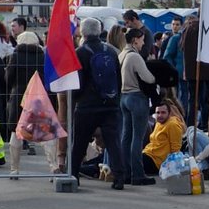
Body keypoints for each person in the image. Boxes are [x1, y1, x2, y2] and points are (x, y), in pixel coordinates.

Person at [70, 17, 126, 189]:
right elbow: (118, 78)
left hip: (87, 105)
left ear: (83, 32)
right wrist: (114, 99)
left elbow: (78, 82)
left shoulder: (80, 53)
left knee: (80, 142)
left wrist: (76, 100)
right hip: (110, 103)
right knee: (113, 142)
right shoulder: (111, 51)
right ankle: (119, 177)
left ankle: (74, 175)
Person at [119, 27, 156, 185]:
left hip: (124, 97)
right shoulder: (135, 57)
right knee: (138, 138)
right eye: (142, 39)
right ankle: (138, 175)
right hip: (136, 97)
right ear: (135, 40)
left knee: (126, 137)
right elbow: (148, 78)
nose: (143, 42)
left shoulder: (122, 54)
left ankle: (126, 172)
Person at [5, 29, 45, 139]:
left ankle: (15, 157)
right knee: (42, 130)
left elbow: (8, 77)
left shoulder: (16, 56)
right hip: (38, 95)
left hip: (19, 94)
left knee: (16, 129)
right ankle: (50, 157)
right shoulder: (42, 56)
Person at [142, 100, 185, 176]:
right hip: (148, 154)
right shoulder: (158, 122)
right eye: (158, 113)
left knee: (131, 163)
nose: (160, 115)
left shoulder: (173, 125)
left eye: (163, 112)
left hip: (157, 162)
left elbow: (176, 149)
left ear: (169, 113)